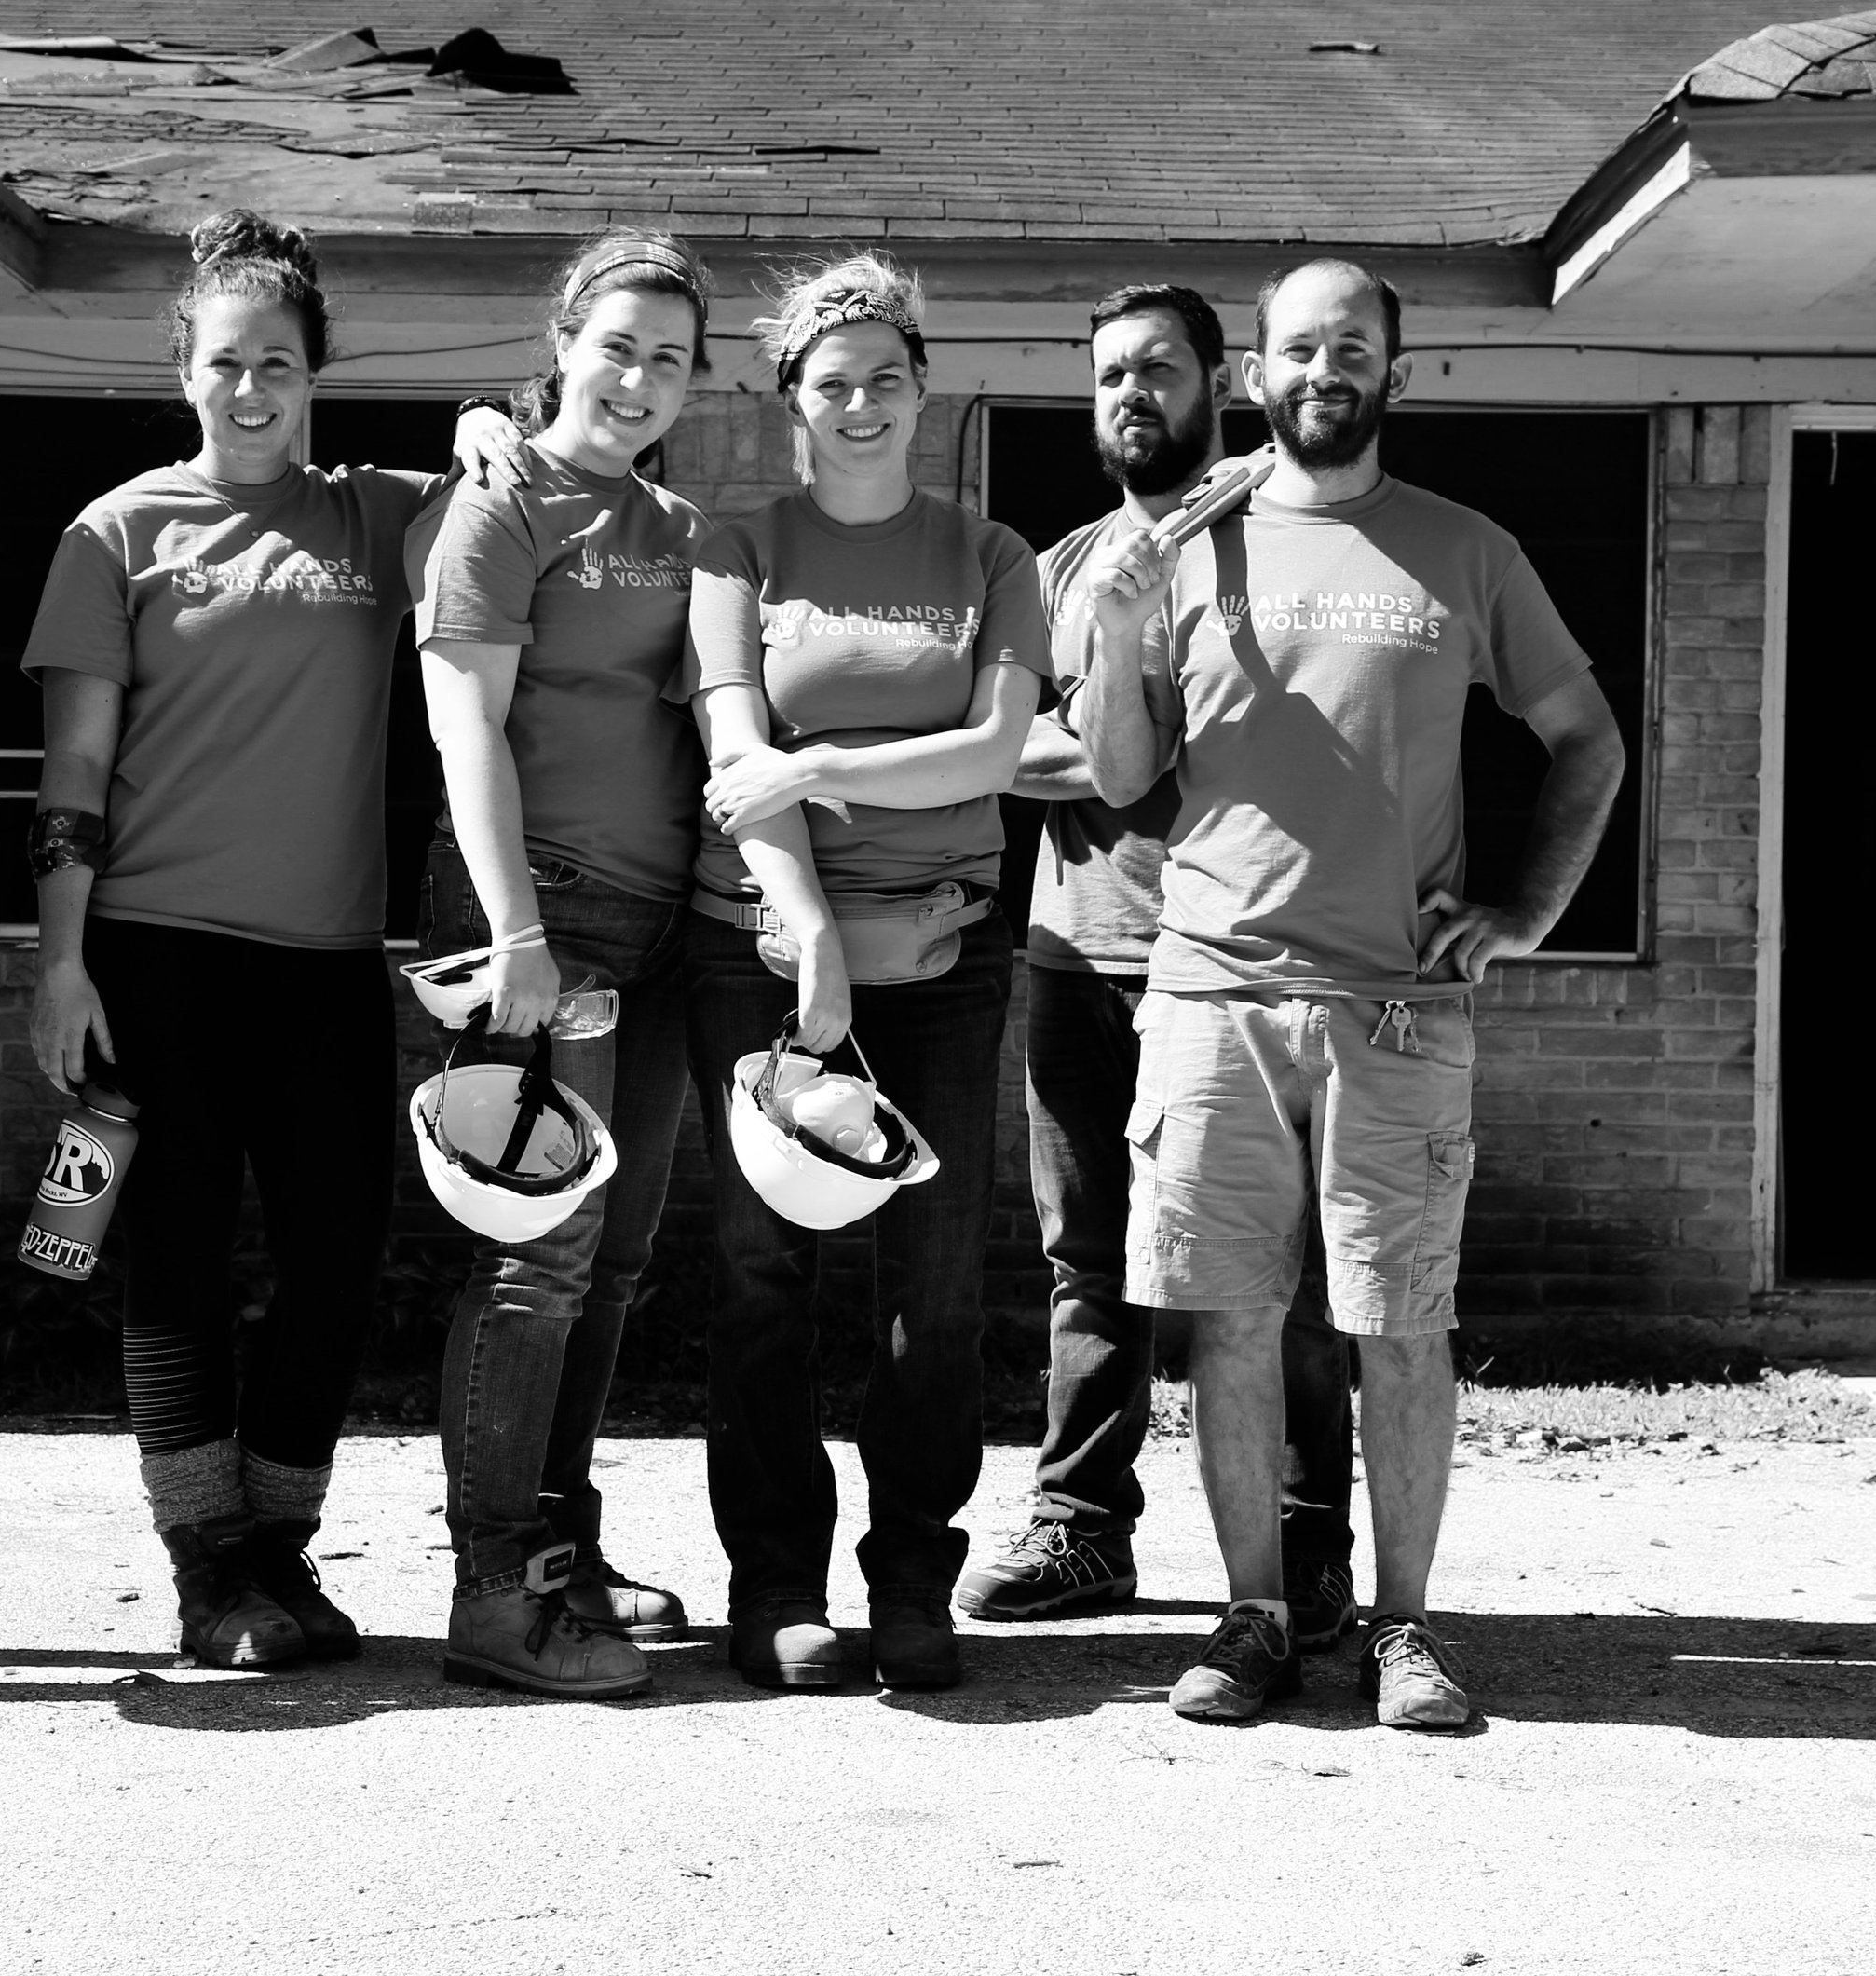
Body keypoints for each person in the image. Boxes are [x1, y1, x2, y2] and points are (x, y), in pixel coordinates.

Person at [1079, 258, 1627, 1731]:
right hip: (1211, 996)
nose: (1326, 369)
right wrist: (1125, 623)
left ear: (1398, 373)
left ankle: (1403, 1627)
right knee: (1231, 1322)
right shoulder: (1183, 547)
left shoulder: (1465, 548)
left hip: (1397, 1005)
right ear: (1255, 375)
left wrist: (1523, 911)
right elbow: (1125, 778)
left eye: (1355, 348)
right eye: (1300, 348)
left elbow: (1587, 739)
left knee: (1402, 1324)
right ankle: (1254, 1614)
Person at [21, 211, 512, 1669]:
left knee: (339, 1258)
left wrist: (488, 422)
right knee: (171, 1257)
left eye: (280, 366)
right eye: (226, 362)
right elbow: (70, 779)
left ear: (316, 375)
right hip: (155, 957)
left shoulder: (375, 515)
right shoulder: (116, 532)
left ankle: (281, 1552)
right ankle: (205, 1565)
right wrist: (59, 960)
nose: (252, 389)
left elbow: (523, 488)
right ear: (184, 367)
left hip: (322, 963)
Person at [957, 282, 1361, 1643]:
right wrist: (1122, 737)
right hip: (1078, 946)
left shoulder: (1275, 549)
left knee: (1281, 1271)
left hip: (1248, 961)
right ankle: (1083, 1528)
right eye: (1110, 375)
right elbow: (992, 747)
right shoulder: (1064, 568)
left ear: (1221, 381)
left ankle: (1308, 1549)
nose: (1133, 395)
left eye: (1161, 371)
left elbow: (1219, 743)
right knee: (1088, 1259)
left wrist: (1119, 735)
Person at [681, 252, 1050, 1694]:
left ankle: (912, 1580)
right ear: (792, 402)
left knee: (937, 1284)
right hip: (756, 948)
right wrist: (811, 934)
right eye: (830, 384)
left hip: (949, 953)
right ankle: (774, 1583)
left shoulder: (990, 556)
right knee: (762, 1274)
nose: (859, 405)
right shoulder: (739, 549)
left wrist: (819, 763)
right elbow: (728, 760)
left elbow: (993, 757)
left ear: (921, 392)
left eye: (884, 380)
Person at [412, 229, 720, 1699]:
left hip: (659, 928)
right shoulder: (500, 503)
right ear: (562, 345)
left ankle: (562, 1545)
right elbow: (463, 726)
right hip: (538, 913)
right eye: (618, 346)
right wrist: (516, 938)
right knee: (537, 1259)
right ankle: (495, 1585)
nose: (641, 377)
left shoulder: (675, 520)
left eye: (671, 357)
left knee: (614, 1261)